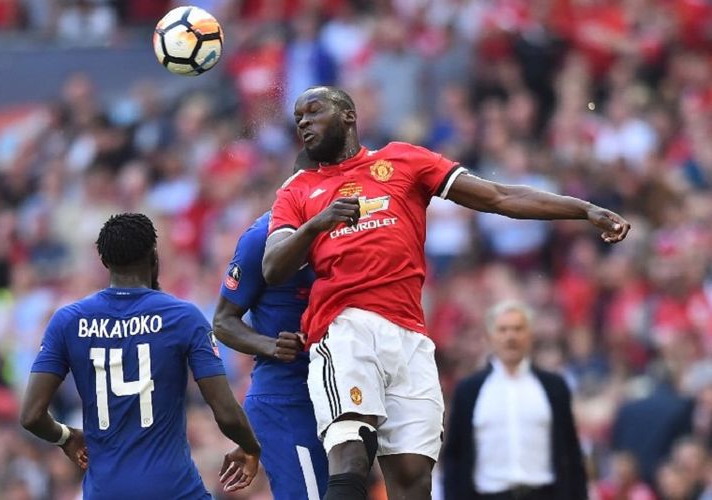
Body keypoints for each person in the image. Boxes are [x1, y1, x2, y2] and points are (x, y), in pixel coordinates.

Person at [262, 85, 630, 500]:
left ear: (348, 115)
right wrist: (317, 224)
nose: (304, 123)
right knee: (351, 456)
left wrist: (583, 210)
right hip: (346, 327)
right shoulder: (297, 190)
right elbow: (273, 267)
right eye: (298, 119)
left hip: (410, 337)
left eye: (314, 112)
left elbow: (498, 196)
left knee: (415, 478)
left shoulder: (403, 161)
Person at [20, 213, 261, 499]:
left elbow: (31, 415)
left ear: (105, 263)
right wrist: (250, 447)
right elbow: (225, 411)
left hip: (105, 491)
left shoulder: (68, 321)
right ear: (154, 257)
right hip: (175, 490)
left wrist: (67, 437)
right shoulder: (183, 317)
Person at [212, 152, 328, 500]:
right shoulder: (261, 237)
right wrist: (269, 345)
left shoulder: (349, 233)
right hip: (288, 399)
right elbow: (222, 321)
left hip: (343, 393)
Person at [443, 300, 588, 500]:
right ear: (490, 336)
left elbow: (571, 453)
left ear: (530, 335)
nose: (510, 336)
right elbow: (455, 457)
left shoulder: (554, 387)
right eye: (503, 329)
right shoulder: (469, 390)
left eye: (518, 329)